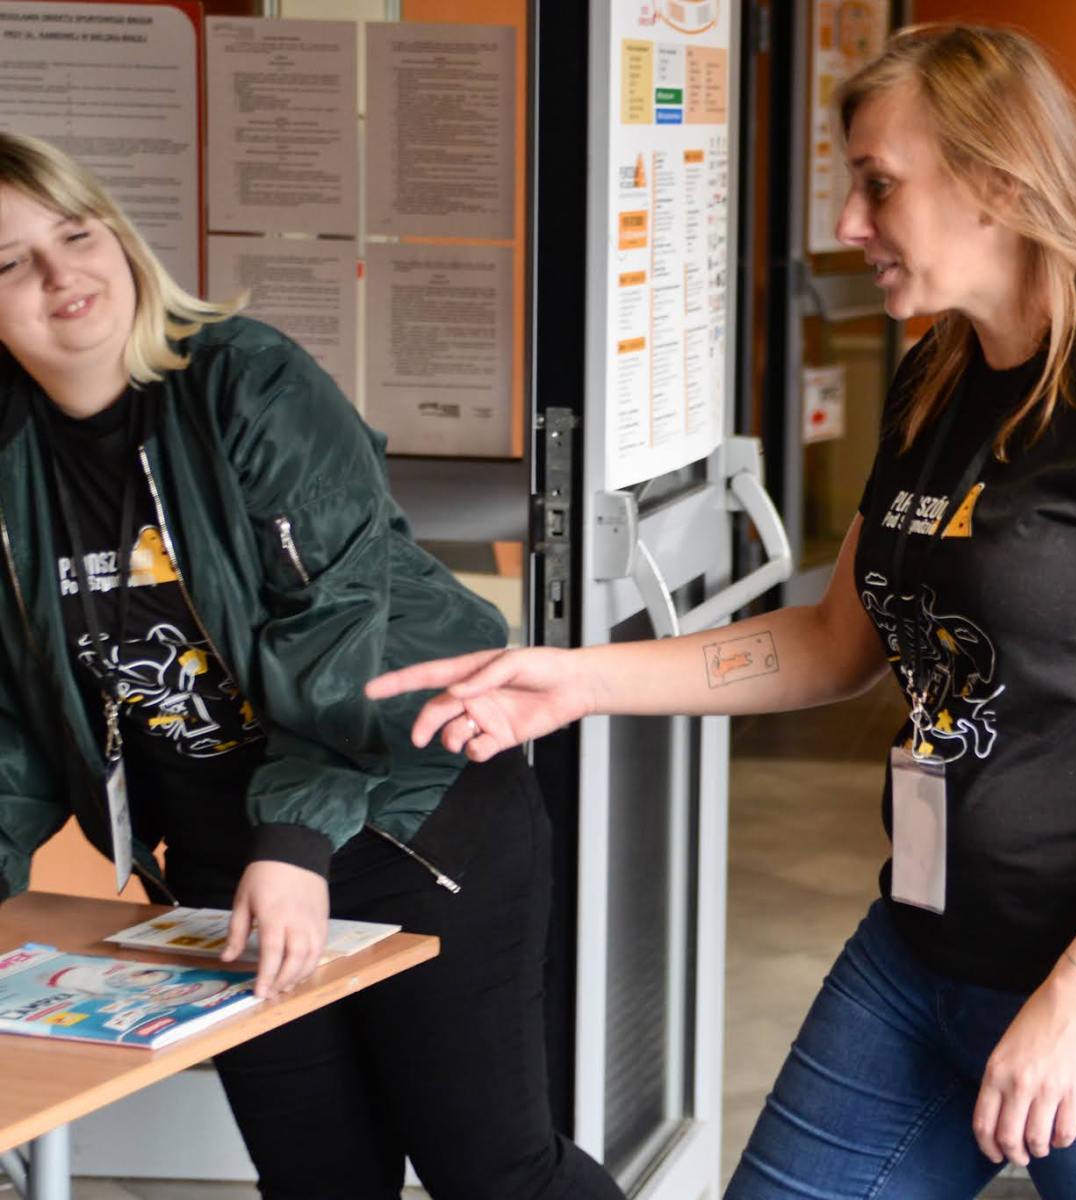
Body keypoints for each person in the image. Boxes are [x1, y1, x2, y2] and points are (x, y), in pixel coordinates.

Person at [372, 25, 1076, 1200]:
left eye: (878, 184)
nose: (851, 223)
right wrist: (575, 680)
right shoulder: (938, 375)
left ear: (995, 181)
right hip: (929, 946)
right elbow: (832, 640)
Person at [0, 132, 620, 1200]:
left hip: (408, 817)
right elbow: (16, 713)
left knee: (492, 1173)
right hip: (219, 866)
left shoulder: (244, 381)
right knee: (316, 1181)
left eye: (77, 232)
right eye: (10, 261)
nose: (63, 274)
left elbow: (335, 617)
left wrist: (293, 840)